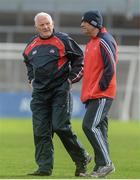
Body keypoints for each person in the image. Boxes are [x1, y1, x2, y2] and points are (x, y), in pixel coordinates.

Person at [23, 12, 91, 177]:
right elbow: (28, 62)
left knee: (60, 126)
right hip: (39, 95)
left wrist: (70, 79)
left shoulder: (64, 40)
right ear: (36, 27)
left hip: (60, 91)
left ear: (52, 24)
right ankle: (44, 168)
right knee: (41, 131)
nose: (45, 27)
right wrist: (31, 79)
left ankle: (82, 158)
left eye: (48, 23)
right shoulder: (30, 46)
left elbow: (79, 59)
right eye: (42, 25)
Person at [80, 10, 118, 178]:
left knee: (89, 126)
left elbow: (111, 65)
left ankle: (107, 164)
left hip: (101, 93)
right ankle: (100, 167)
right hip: (92, 94)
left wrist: (101, 87)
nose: (82, 25)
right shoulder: (91, 43)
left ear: (94, 23)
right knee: (100, 131)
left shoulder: (104, 40)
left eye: (85, 22)